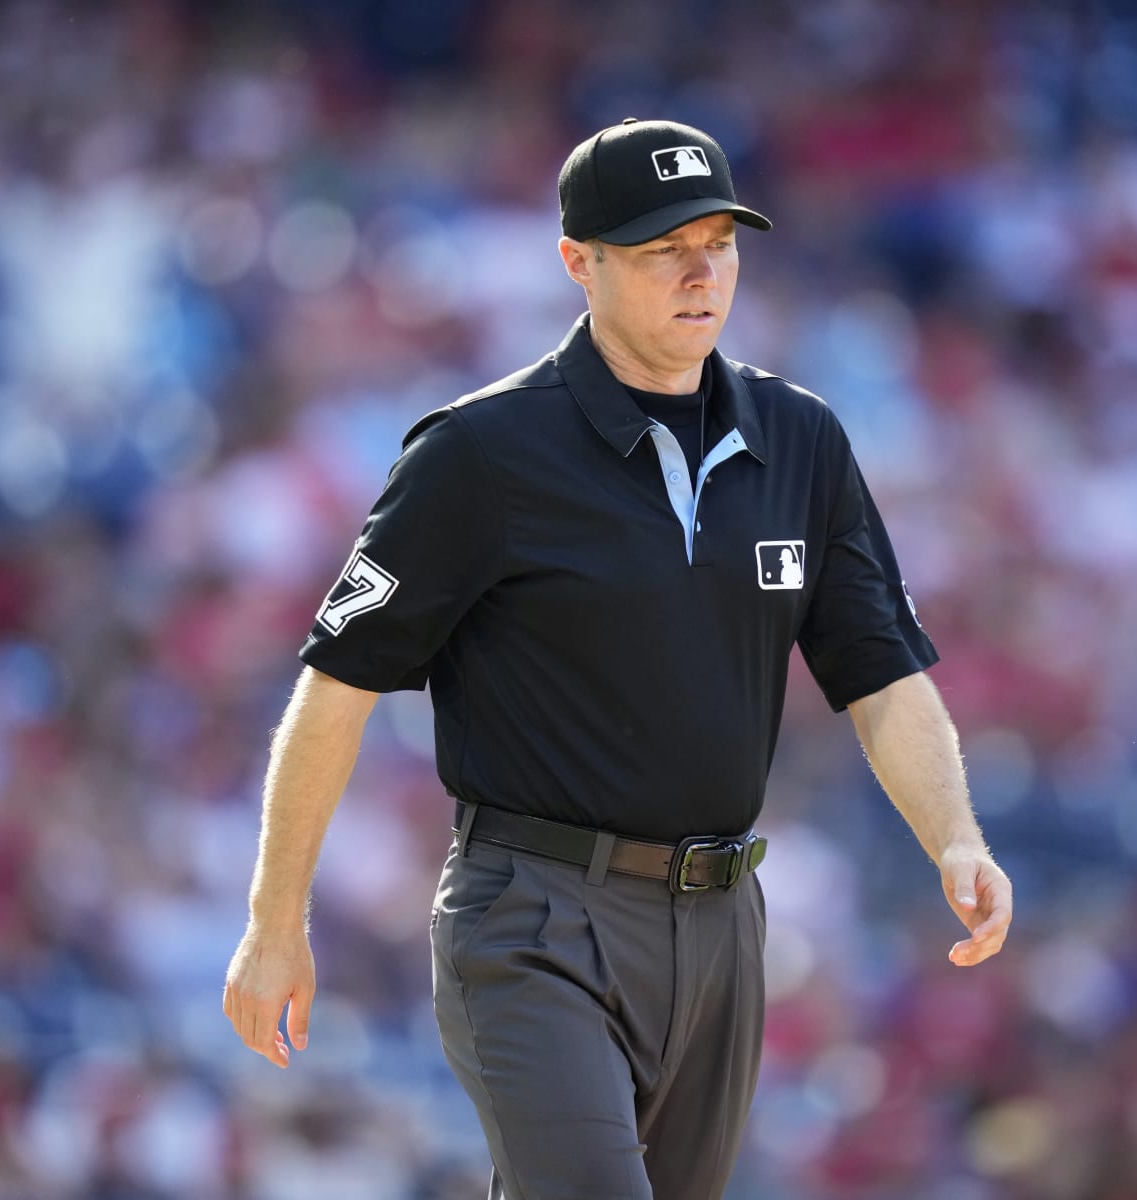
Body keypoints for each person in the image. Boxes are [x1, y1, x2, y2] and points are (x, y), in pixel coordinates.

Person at [222, 117, 1013, 1200]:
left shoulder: (803, 440)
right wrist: (276, 924)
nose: (700, 273)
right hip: (535, 913)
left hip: (726, 921)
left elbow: (878, 675)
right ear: (577, 263)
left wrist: (956, 837)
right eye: (659, 250)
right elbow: (336, 687)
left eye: (719, 243)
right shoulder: (481, 453)